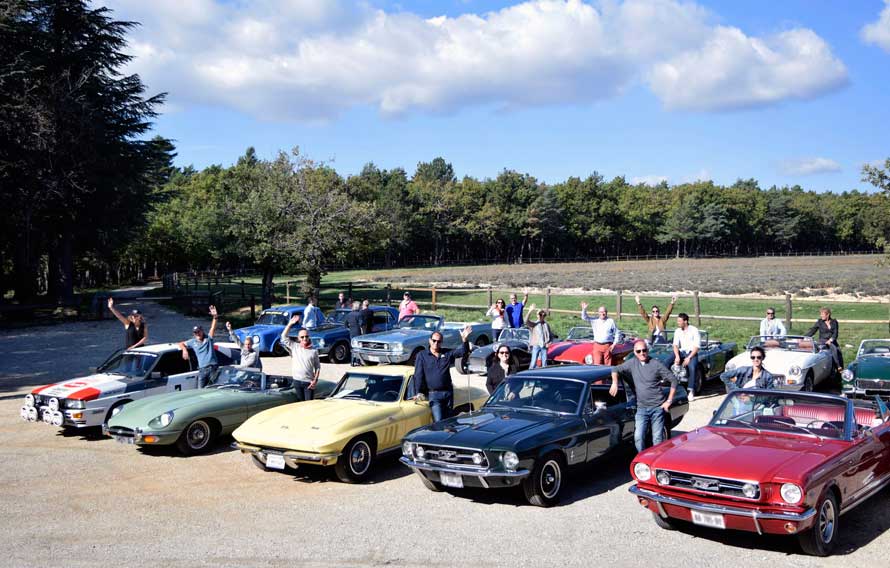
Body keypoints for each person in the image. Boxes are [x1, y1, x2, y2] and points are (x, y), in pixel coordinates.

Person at [610, 340, 677, 453]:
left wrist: (669, 401)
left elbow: (674, 380)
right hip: (641, 408)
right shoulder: (632, 363)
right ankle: (643, 461)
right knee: (638, 437)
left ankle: (656, 463)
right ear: (635, 352)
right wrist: (615, 383)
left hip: (657, 407)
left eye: (644, 350)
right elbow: (615, 369)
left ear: (648, 350)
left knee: (657, 439)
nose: (642, 353)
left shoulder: (656, 364)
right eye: (639, 351)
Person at [410, 325, 473, 421]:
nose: (436, 343)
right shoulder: (422, 355)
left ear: (441, 342)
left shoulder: (446, 353)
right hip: (434, 395)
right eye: (434, 340)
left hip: (448, 393)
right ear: (429, 340)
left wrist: (464, 339)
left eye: (439, 341)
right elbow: (418, 375)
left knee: (448, 422)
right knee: (439, 422)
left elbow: (463, 352)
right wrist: (417, 392)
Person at [280, 315, 321, 401]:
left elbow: (317, 367)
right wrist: (290, 324)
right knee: (299, 405)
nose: (304, 338)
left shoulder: (313, 350)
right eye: (302, 337)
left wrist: (315, 380)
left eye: (306, 336)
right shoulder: (295, 347)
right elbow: (283, 337)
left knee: (308, 405)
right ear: (299, 338)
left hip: (308, 382)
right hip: (297, 381)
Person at [179, 305, 220, 388]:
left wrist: (215, 316)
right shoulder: (192, 342)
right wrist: (184, 350)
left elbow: (213, 328)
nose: (197, 334)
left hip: (213, 369)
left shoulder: (208, 338)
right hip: (202, 370)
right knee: (200, 392)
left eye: (198, 332)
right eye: (195, 332)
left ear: (202, 331)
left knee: (213, 390)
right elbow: (180, 343)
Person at [672, 313, 701, 401]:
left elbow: (697, 346)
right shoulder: (677, 331)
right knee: (666, 362)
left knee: (692, 367)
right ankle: (666, 384)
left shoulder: (694, 330)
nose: (678, 323)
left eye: (679, 321)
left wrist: (689, 358)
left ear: (685, 321)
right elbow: (675, 345)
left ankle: (690, 391)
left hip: (691, 353)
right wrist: (677, 356)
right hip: (681, 352)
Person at [806, 307, 843, 372]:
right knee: (833, 347)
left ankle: (840, 373)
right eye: (821, 314)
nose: (821, 316)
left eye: (823, 314)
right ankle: (838, 366)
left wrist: (831, 340)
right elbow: (812, 331)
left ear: (828, 315)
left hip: (832, 340)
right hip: (822, 340)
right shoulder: (819, 322)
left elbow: (835, 333)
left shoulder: (834, 322)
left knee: (838, 352)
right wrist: (804, 337)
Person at [525, 304, 552, 369]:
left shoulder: (546, 325)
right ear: (537, 316)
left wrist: (549, 343)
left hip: (544, 346)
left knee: (544, 363)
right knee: (533, 362)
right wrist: (530, 311)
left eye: (543, 315)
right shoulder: (534, 324)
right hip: (536, 345)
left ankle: (544, 375)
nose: (541, 316)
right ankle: (529, 374)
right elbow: (526, 321)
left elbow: (550, 335)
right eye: (539, 314)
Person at [345, 301, 365, 366]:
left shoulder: (349, 314)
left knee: (352, 347)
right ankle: (358, 361)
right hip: (358, 332)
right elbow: (361, 324)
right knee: (358, 347)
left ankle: (352, 361)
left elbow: (345, 324)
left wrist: (349, 328)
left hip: (351, 332)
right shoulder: (359, 314)